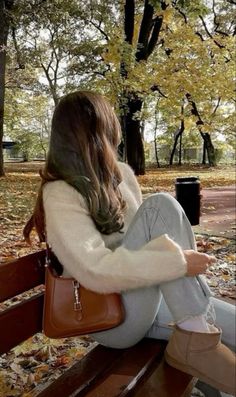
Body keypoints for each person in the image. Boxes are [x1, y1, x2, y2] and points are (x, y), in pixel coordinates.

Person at [24, 91, 235, 396]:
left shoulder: (120, 174)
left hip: (152, 297)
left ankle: (197, 338)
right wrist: (178, 263)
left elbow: (148, 239)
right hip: (114, 319)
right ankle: (195, 334)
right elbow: (95, 270)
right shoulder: (60, 192)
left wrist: (173, 267)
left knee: (226, 330)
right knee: (161, 204)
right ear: (100, 129)